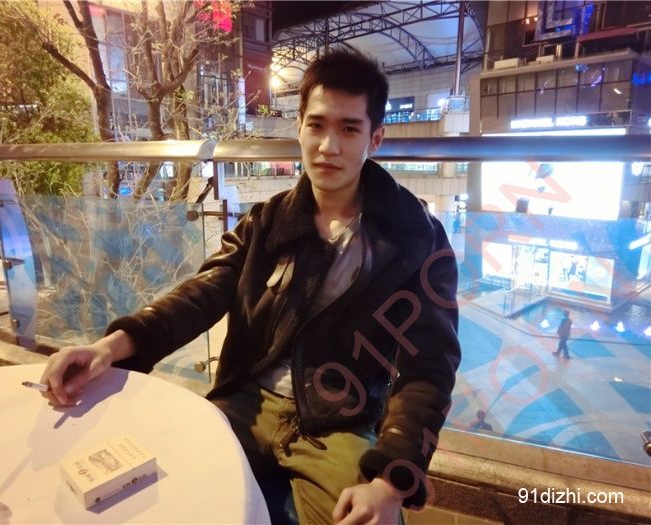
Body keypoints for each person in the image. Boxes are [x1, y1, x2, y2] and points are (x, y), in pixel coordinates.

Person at [39, 49, 461, 524]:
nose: (328, 146)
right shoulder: (268, 222)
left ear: (374, 139)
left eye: (349, 129)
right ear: (299, 128)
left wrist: (389, 482)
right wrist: (111, 346)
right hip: (245, 401)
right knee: (168, 502)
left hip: (338, 421)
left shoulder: (416, 238)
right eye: (317, 125)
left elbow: (430, 367)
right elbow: (204, 291)